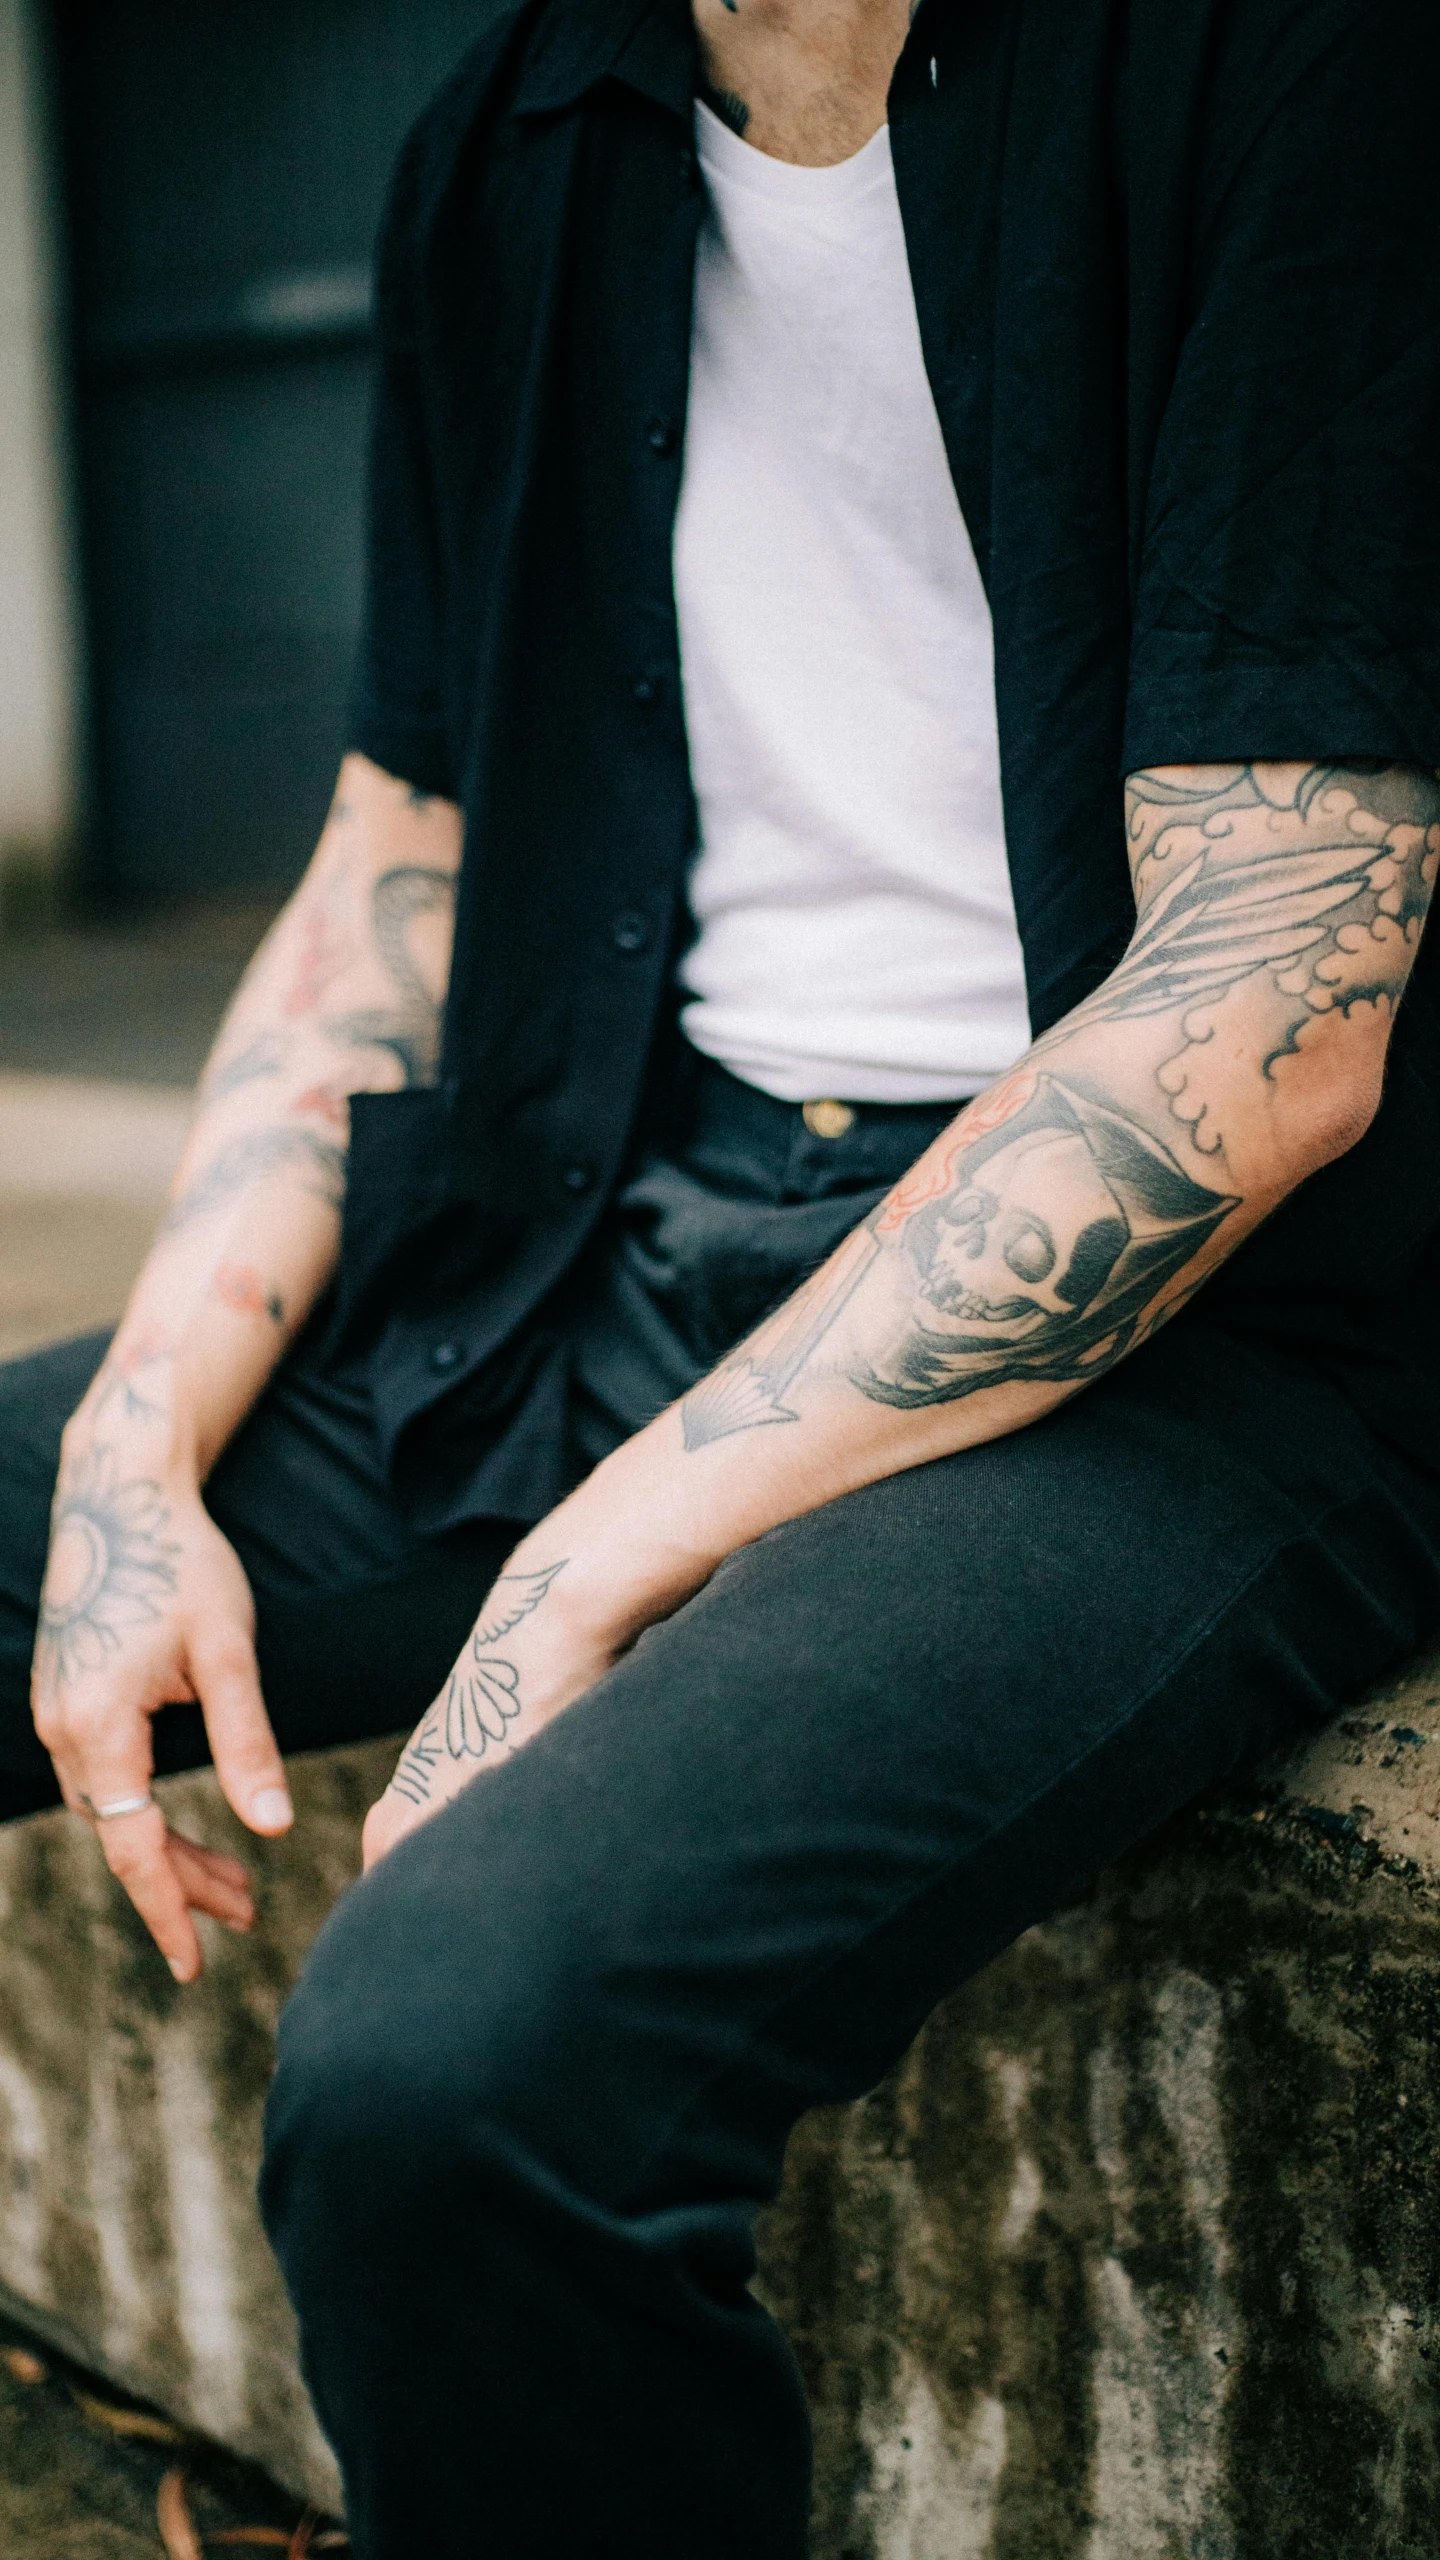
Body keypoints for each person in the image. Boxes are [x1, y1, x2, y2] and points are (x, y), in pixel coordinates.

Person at [2, 0, 1438, 2549]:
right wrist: (139, 1434)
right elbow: (393, 865)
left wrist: (598, 1549)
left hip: (1191, 1330)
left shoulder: (1284, 61)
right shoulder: (517, 127)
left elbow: (1269, 1000)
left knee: (450, 2076)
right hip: (600, 1215)